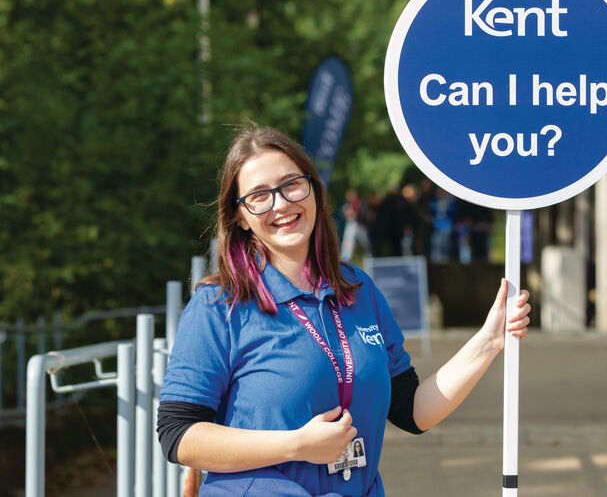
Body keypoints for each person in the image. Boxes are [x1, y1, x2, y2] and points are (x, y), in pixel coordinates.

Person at [157, 123, 531, 496]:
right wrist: (296, 445)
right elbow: (178, 434)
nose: (281, 203)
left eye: (291, 185)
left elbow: (413, 411)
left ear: (313, 191)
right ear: (240, 216)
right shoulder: (219, 305)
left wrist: (488, 340)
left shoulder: (359, 290)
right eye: (259, 195)